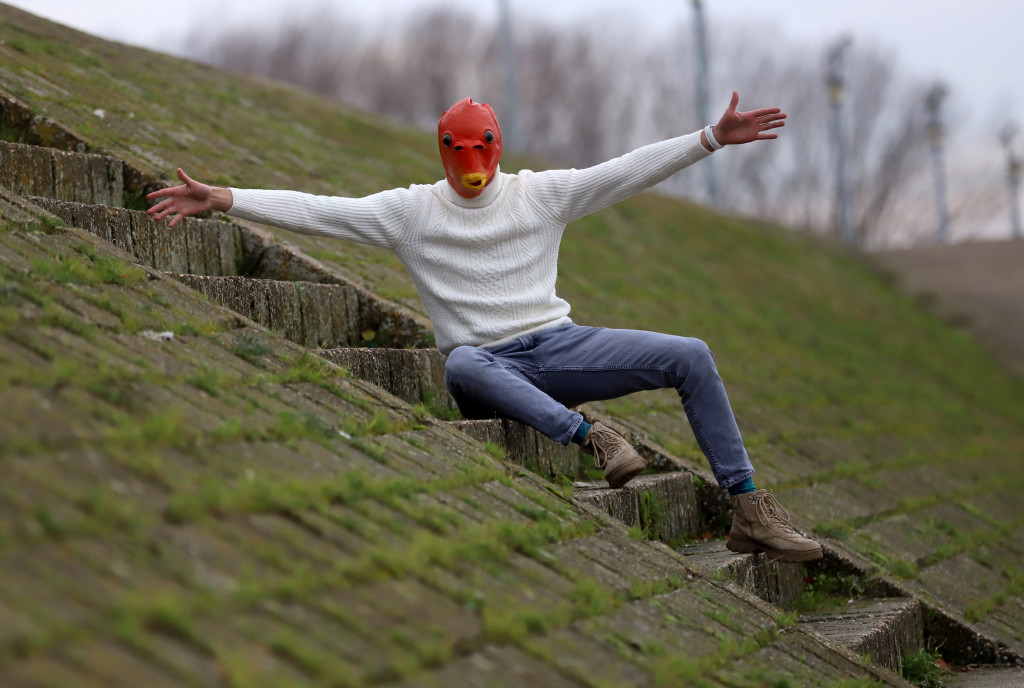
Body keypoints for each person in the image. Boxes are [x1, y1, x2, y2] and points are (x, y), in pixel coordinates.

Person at [147, 92, 822, 562]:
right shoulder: (410, 212)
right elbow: (320, 209)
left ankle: (750, 510)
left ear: (497, 148)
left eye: (481, 151)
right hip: (491, 369)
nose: (471, 167)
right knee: (462, 363)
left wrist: (710, 138)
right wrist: (224, 199)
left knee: (692, 354)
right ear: (443, 151)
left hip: (558, 348)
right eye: (458, 152)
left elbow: (626, 171)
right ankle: (590, 436)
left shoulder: (542, 194)